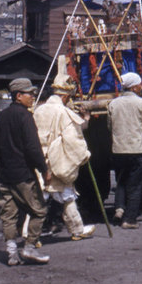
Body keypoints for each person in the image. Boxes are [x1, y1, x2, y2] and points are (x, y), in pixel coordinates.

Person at [0, 77, 51, 265]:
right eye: (30, 94)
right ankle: (29, 247)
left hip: (4, 174)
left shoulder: (2, 116)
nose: (33, 97)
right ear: (18, 96)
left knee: (8, 214)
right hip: (22, 174)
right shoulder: (25, 116)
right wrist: (44, 169)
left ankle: (12, 253)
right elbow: (32, 147)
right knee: (39, 210)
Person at [33, 74, 95, 242]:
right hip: (56, 160)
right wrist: (84, 154)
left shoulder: (38, 110)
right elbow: (73, 139)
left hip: (38, 159)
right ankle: (30, 235)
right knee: (62, 195)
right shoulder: (64, 112)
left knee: (44, 197)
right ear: (66, 96)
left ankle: (76, 229)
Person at [108, 72, 142, 229]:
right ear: (134, 87)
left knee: (121, 181)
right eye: (140, 85)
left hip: (118, 150)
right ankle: (130, 219)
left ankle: (119, 209)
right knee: (135, 185)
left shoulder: (113, 104)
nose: (141, 87)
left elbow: (110, 126)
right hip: (137, 150)